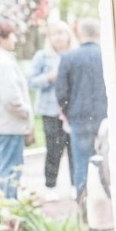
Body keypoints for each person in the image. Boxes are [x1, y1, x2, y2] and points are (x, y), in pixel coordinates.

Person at [56, 18, 108, 199]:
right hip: (105, 116)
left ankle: (84, 204)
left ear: (79, 33)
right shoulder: (107, 54)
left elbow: (61, 92)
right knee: (107, 161)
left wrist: (67, 113)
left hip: (79, 117)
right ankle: (107, 202)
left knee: (81, 162)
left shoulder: (69, 57)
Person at [29, 20, 77, 201]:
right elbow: (31, 81)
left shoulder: (75, 54)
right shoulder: (42, 56)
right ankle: (51, 186)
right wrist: (49, 77)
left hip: (73, 111)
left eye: (61, 33)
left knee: (74, 148)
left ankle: (75, 184)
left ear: (68, 35)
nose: (58, 37)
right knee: (53, 149)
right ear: (50, 37)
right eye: (54, 33)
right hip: (50, 110)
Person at [0, 18, 34, 199]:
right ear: (2, 38)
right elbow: (11, 98)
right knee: (10, 171)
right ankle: (9, 213)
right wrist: (25, 113)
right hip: (9, 125)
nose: (15, 39)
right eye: (13, 35)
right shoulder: (2, 62)